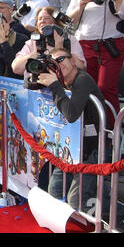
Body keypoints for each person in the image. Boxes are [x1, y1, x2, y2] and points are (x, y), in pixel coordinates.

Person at [36, 47, 107, 213]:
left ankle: (117, 217)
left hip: (92, 150)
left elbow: (71, 114)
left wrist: (54, 85)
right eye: (54, 63)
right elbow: (28, 84)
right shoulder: (60, 82)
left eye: (61, 60)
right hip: (70, 149)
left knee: (76, 202)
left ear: (73, 60)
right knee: (53, 192)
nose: (59, 65)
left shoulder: (82, 79)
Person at [66, 0, 124, 125]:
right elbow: (69, 19)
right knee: (86, 88)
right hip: (85, 45)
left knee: (105, 88)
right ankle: (92, 130)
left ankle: (111, 132)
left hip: (110, 45)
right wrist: (80, 6)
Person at [12, 6, 86, 76]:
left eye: (47, 18)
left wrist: (60, 48)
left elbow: (81, 67)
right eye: (40, 19)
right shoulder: (32, 42)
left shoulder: (69, 40)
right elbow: (16, 68)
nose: (42, 21)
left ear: (55, 22)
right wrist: (34, 55)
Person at [0, 0, 29, 79]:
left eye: (1, 8)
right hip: (1, 82)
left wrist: (3, 43)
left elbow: (14, 65)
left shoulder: (19, 32)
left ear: (11, 10)